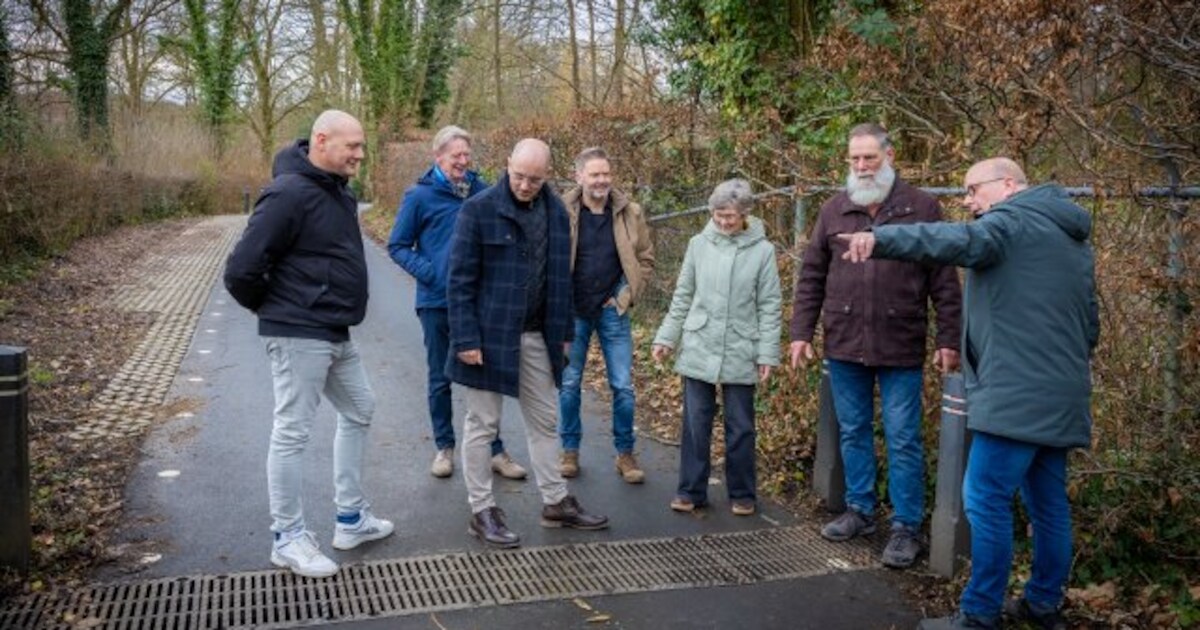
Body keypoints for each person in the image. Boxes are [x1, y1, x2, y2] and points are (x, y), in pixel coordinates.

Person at [839, 158, 1098, 630]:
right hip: (1064, 393)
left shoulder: (1009, 223)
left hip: (1015, 395)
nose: (967, 200)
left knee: (984, 497)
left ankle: (978, 615)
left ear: (1007, 184)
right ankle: (1043, 604)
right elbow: (1090, 325)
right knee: (1048, 503)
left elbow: (954, 240)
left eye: (973, 189)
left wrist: (882, 240)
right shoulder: (1071, 237)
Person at [224, 110, 394, 578]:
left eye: (362, 146)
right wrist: (282, 310)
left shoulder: (337, 191)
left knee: (360, 407)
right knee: (293, 431)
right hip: (300, 332)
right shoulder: (288, 194)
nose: (361, 154)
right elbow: (240, 272)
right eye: (353, 146)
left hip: (335, 331)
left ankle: (351, 519)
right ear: (321, 140)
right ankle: (288, 537)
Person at [789, 122, 962, 569]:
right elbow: (811, 277)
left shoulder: (922, 207)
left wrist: (948, 338)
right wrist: (800, 333)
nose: (862, 166)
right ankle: (860, 511)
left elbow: (943, 278)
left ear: (890, 155)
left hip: (899, 342)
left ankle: (907, 526)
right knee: (853, 430)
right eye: (855, 159)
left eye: (870, 157)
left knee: (903, 437)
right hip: (844, 343)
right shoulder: (834, 210)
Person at [447, 138, 609, 548]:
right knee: (482, 425)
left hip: (539, 334)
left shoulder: (556, 212)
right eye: (519, 176)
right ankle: (481, 510)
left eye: (534, 179)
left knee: (545, 421)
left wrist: (567, 333)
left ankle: (555, 502)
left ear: (547, 176)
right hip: (487, 337)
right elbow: (460, 280)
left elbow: (561, 279)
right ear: (507, 165)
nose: (524, 185)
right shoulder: (478, 210)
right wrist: (466, 337)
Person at [387, 125, 527, 481]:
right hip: (436, 302)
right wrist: (433, 273)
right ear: (438, 157)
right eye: (456, 156)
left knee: (484, 377)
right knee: (440, 377)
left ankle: (495, 451)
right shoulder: (419, 196)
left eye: (467, 155)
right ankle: (444, 449)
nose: (463, 162)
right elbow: (398, 245)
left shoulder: (481, 191)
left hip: (478, 303)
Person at [651, 179, 782, 516]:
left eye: (733, 216)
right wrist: (667, 337)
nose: (725, 221)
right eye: (720, 214)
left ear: (746, 215)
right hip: (700, 342)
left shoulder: (763, 251)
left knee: (741, 425)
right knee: (696, 421)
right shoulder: (698, 244)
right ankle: (691, 490)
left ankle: (742, 493)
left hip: (742, 345)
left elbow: (769, 305)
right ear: (712, 212)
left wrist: (768, 353)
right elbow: (683, 295)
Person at [557, 147, 656, 483]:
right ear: (579, 176)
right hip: (572, 312)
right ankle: (569, 451)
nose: (602, 180)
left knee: (623, 386)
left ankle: (625, 454)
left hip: (613, 311)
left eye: (606, 174)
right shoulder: (561, 211)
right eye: (595, 174)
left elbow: (646, 260)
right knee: (569, 384)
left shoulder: (630, 213)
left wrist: (625, 296)